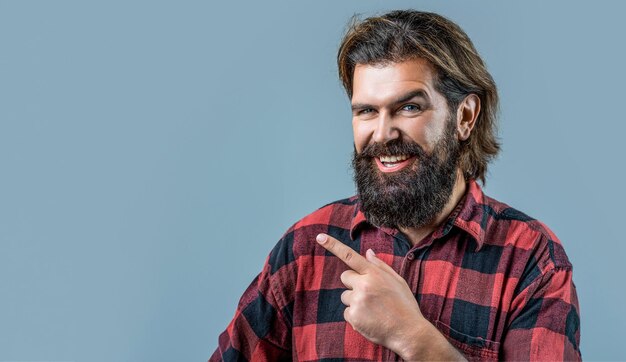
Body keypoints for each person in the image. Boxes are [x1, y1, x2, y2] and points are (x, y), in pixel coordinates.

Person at [210, 10, 581, 361]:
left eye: (409, 108)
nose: (383, 134)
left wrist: (414, 338)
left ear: (465, 116)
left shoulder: (531, 260)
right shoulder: (305, 248)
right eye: (366, 111)